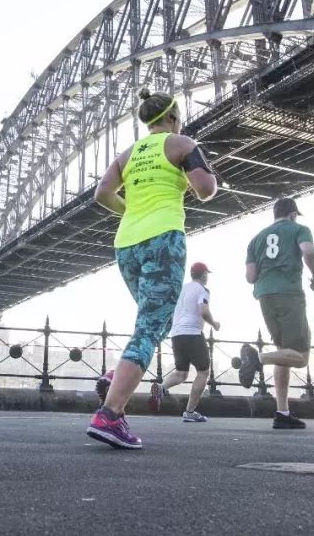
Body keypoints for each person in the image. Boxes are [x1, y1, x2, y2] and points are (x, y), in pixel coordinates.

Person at [87, 88, 217, 449]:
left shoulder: (126, 155)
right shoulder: (180, 144)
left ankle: (116, 378)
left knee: (149, 323)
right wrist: (206, 172)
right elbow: (205, 190)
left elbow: (102, 195)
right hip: (164, 240)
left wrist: (130, 210)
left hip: (126, 245)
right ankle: (109, 416)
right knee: (150, 328)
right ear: (174, 116)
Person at [238, 198, 314, 430]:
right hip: (289, 294)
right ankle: (257, 359)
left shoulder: (256, 239)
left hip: (264, 295)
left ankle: (282, 413)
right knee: (301, 357)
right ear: (293, 214)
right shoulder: (299, 229)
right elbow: (309, 252)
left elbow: (250, 277)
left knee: (284, 353)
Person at [147, 261, 219, 423]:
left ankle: (161, 388)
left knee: (181, 373)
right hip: (193, 333)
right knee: (203, 372)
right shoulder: (202, 290)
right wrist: (215, 324)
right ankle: (190, 412)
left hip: (176, 334)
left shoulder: (182, 289)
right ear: (204, 275)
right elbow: (204, 311)